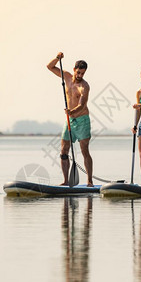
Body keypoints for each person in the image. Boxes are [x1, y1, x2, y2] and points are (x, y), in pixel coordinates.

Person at [47, 52, 94, 187]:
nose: (80, 76)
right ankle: (66, 181)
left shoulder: (84, 86)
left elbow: (82, 105)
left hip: (82, 120)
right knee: (63, 150)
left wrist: (71, 112)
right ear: (74, 70)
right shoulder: (66, 76)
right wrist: (57, 58)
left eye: (82, 74)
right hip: (69, 121)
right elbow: (49, 67)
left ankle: (89, 181)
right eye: (78, 72)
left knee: (84, 150)